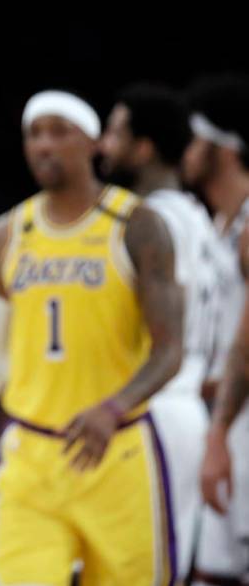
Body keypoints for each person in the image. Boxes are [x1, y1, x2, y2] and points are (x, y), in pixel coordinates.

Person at [0, 90, 184, 585]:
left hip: (116, 455)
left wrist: (115, 406)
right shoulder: (8, 233)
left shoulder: (138, 225)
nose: (45, 145)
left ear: (94, 143)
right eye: (34, 134)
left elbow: (170, 349)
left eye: (58, 131)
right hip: (31, 460)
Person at [97, 82, 219, 580]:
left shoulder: (149, 223)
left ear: (143, 148)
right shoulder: (197, 215)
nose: (103, 144)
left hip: (154, 408)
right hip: (183, 404)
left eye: (114, 132)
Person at [185, 75, 249, 586]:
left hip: (239, 423)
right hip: (224, 416)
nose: (184, 150)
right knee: (211, 573)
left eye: (192, 138)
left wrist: (220, 433)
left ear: (221, 147)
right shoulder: (217, 226)